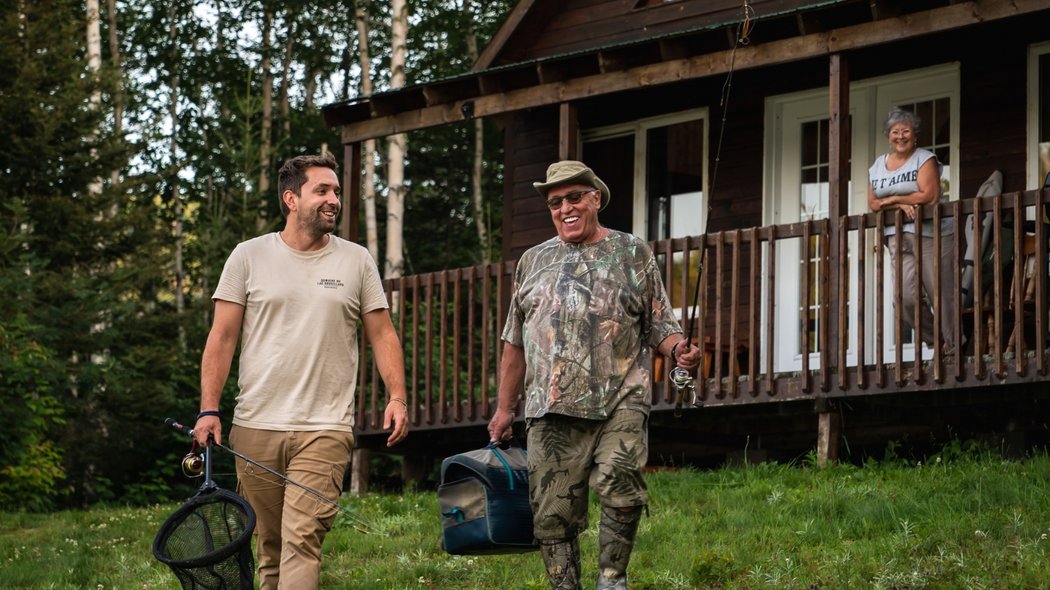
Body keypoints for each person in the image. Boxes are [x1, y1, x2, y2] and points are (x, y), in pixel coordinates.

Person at [193, 153, 409, 589]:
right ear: (291, 198)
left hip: (325, 427)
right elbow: (222, 338)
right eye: (322, 191)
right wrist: (208, 409)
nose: (334, 200)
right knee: (268, 548)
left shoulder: (356, 261)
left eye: (336, 191)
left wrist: (398, 397)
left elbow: (383, 335)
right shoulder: (248, 257)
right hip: (256, 424)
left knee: (301, 541)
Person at [487, 160, 702, 590]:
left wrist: (680, 350)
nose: (564, 208)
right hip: (550, 409)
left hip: (619, 399)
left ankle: (612, 580)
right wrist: (504, 409)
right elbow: (515, 341)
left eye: (573, 198)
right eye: (555, 202)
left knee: (621, 484)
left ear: (595, 199)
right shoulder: (532, 261)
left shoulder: (632, 252)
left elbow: (661, 325)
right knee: (551, 514)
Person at [867, 108, 956, 355]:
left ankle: (953, 347)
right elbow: (874, 203)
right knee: (904, 298)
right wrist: (900, 203)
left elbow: (929, 195)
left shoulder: (924, 159)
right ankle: (936, 341)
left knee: (941, 294)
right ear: (888, 136)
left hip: (932, 236)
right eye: (895, 132)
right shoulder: (877, 167)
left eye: (906, 131)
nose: (900, 136)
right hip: (896, 236)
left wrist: (893, 197)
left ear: (914, 135)